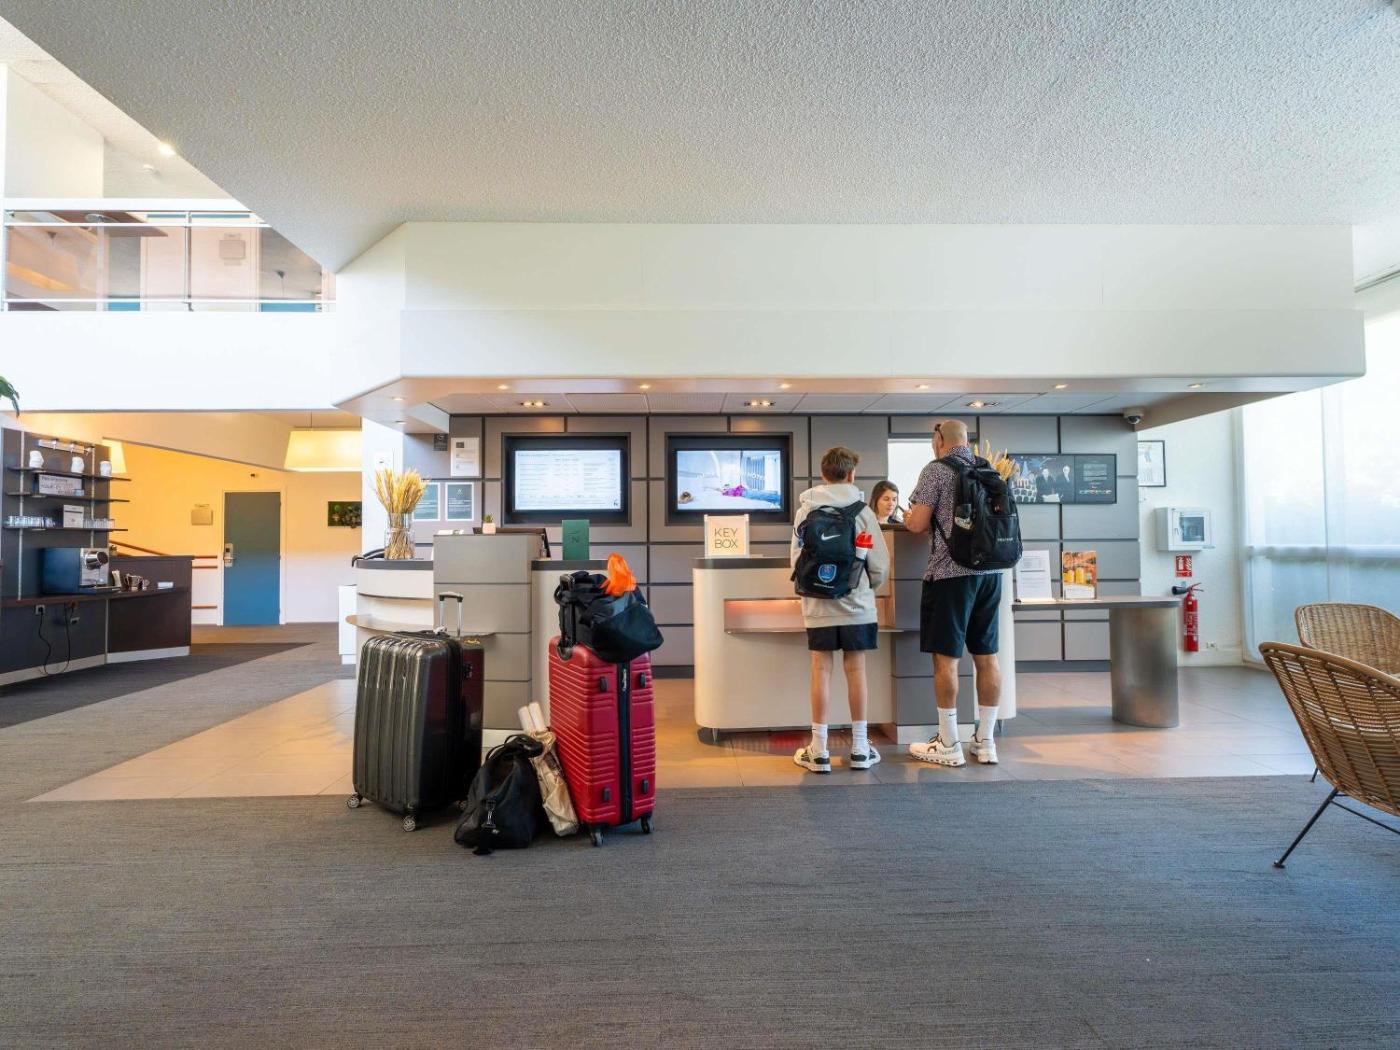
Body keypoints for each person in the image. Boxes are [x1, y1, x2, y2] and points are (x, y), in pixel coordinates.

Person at [901, 420, 1002, 767]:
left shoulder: (937, 470)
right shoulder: (988, 469)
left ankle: (948, 742)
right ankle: (985, 741)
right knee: (987, 657)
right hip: (990, 575)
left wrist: (908, 520)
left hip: (950, 575)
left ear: (939, 439)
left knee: (946, 659)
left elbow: (917, 523)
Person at [790, 446, 890, 773]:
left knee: (820, 669)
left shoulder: (806, 510)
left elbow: (796, 561)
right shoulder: (863, 511)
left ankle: (819, 750)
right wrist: (863, 588)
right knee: (856, 669)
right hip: (857, 605)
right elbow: (880, 565)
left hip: (817, 605)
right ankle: (860, 748)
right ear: (851, 474)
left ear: (823, 475)